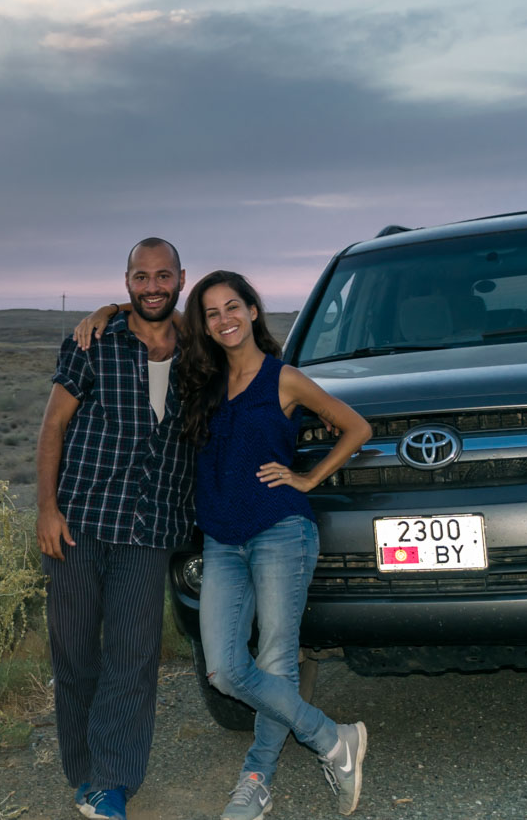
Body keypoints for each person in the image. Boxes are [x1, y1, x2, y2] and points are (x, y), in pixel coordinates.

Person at [75, 271, 373, 817]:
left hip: (281, 530)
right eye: (211, 313)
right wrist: (112, 310)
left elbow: (356, 428)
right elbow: (154, 313)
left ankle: (255, 783)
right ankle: (333, 738)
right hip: (221, 541)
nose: (223, 319)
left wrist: (307, 479)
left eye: (232, 307)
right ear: (204, 326)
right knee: (224, 670)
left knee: (276, 661)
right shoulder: (202, 382)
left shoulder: (285, 379)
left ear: (253, 311)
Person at [36, 238, 196, 820]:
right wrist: (46, 509)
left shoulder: (199, 352)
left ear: (181, 277)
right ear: (126, 281)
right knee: (75, 651)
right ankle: (83, 769)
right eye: (140, 276)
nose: (152, 286)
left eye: (163, 275)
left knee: (133, 655)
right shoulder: (94, 340)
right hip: (80, 520)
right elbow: (53, 426)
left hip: (150, 527)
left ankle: (112, 781)